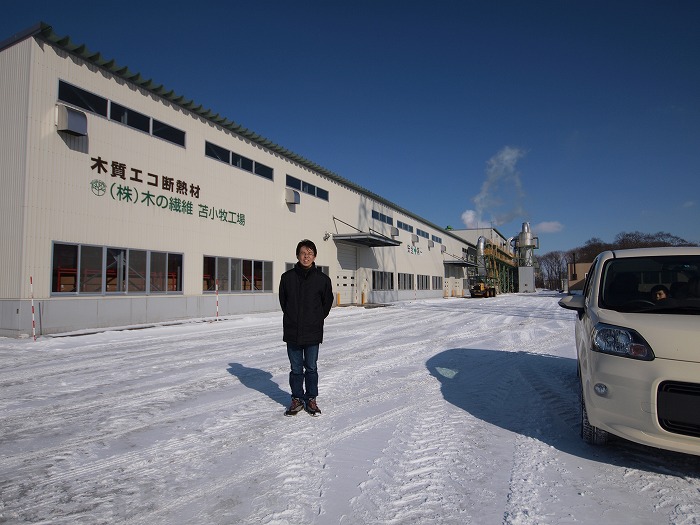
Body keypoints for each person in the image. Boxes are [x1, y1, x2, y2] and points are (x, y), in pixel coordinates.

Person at [279, 239, 334, 416]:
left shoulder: (322, 280)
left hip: (312, 331)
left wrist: (316, 319)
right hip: (292, 331)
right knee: (296, 369)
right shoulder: (287, 278)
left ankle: (311, 399)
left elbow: (327, 303)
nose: (306, 256)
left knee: (311, 367)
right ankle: (296, 399)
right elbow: (283, 302)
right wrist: (292, 318)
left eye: (310, 253)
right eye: (303, 253)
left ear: (315, 256)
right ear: (297, 255)